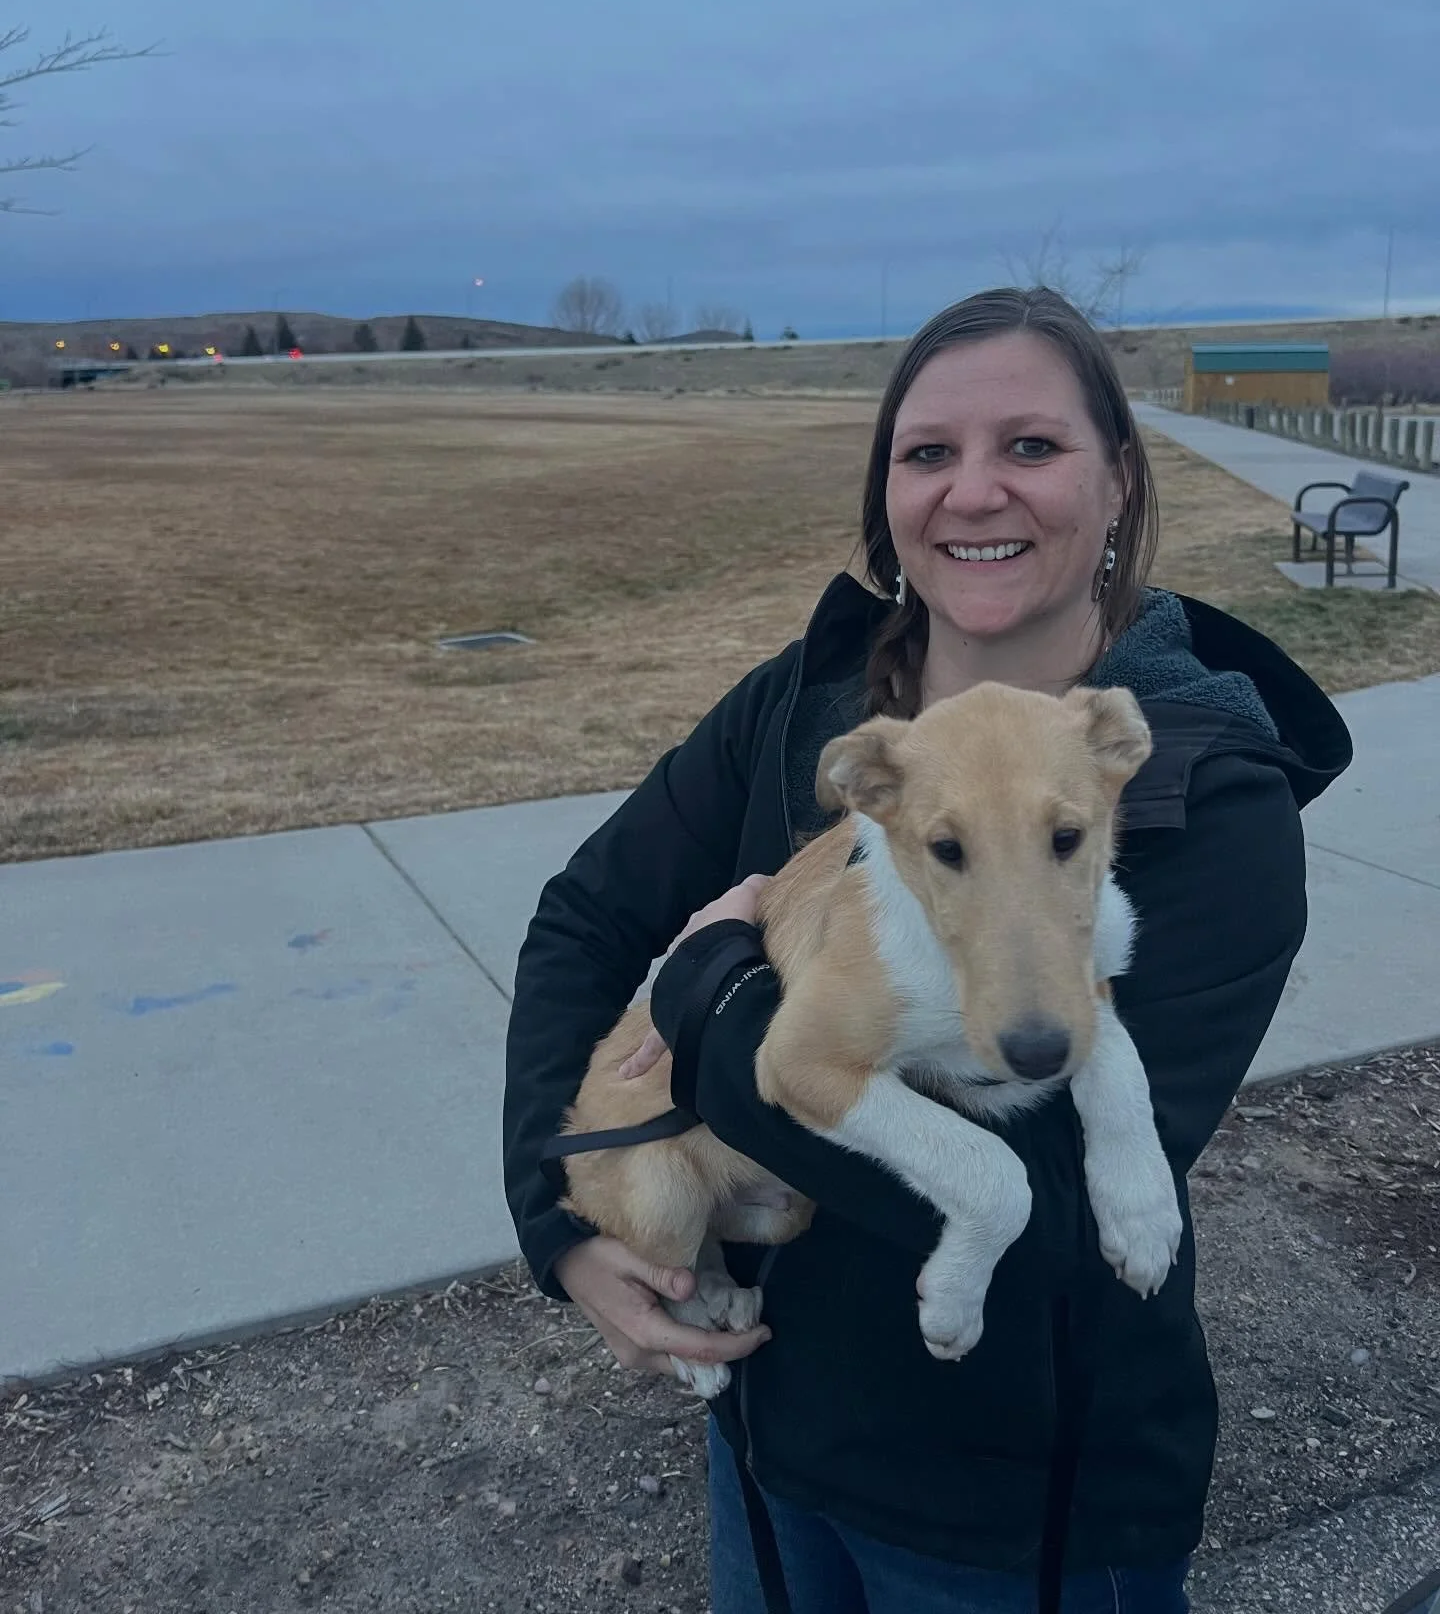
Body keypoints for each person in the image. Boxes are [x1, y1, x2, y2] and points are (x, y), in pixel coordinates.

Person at [502, 287, 1352, 1613]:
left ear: (1117, 479)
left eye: (1031, 446)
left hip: (1024, 1502)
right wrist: (560, 1217)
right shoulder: (813, 705)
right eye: (927, 454)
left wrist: (715, 996)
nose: (973, 493)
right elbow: (585, 916)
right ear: (887, 496)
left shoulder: (1195, 787)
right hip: (771, 1438)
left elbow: (1063, 1209)